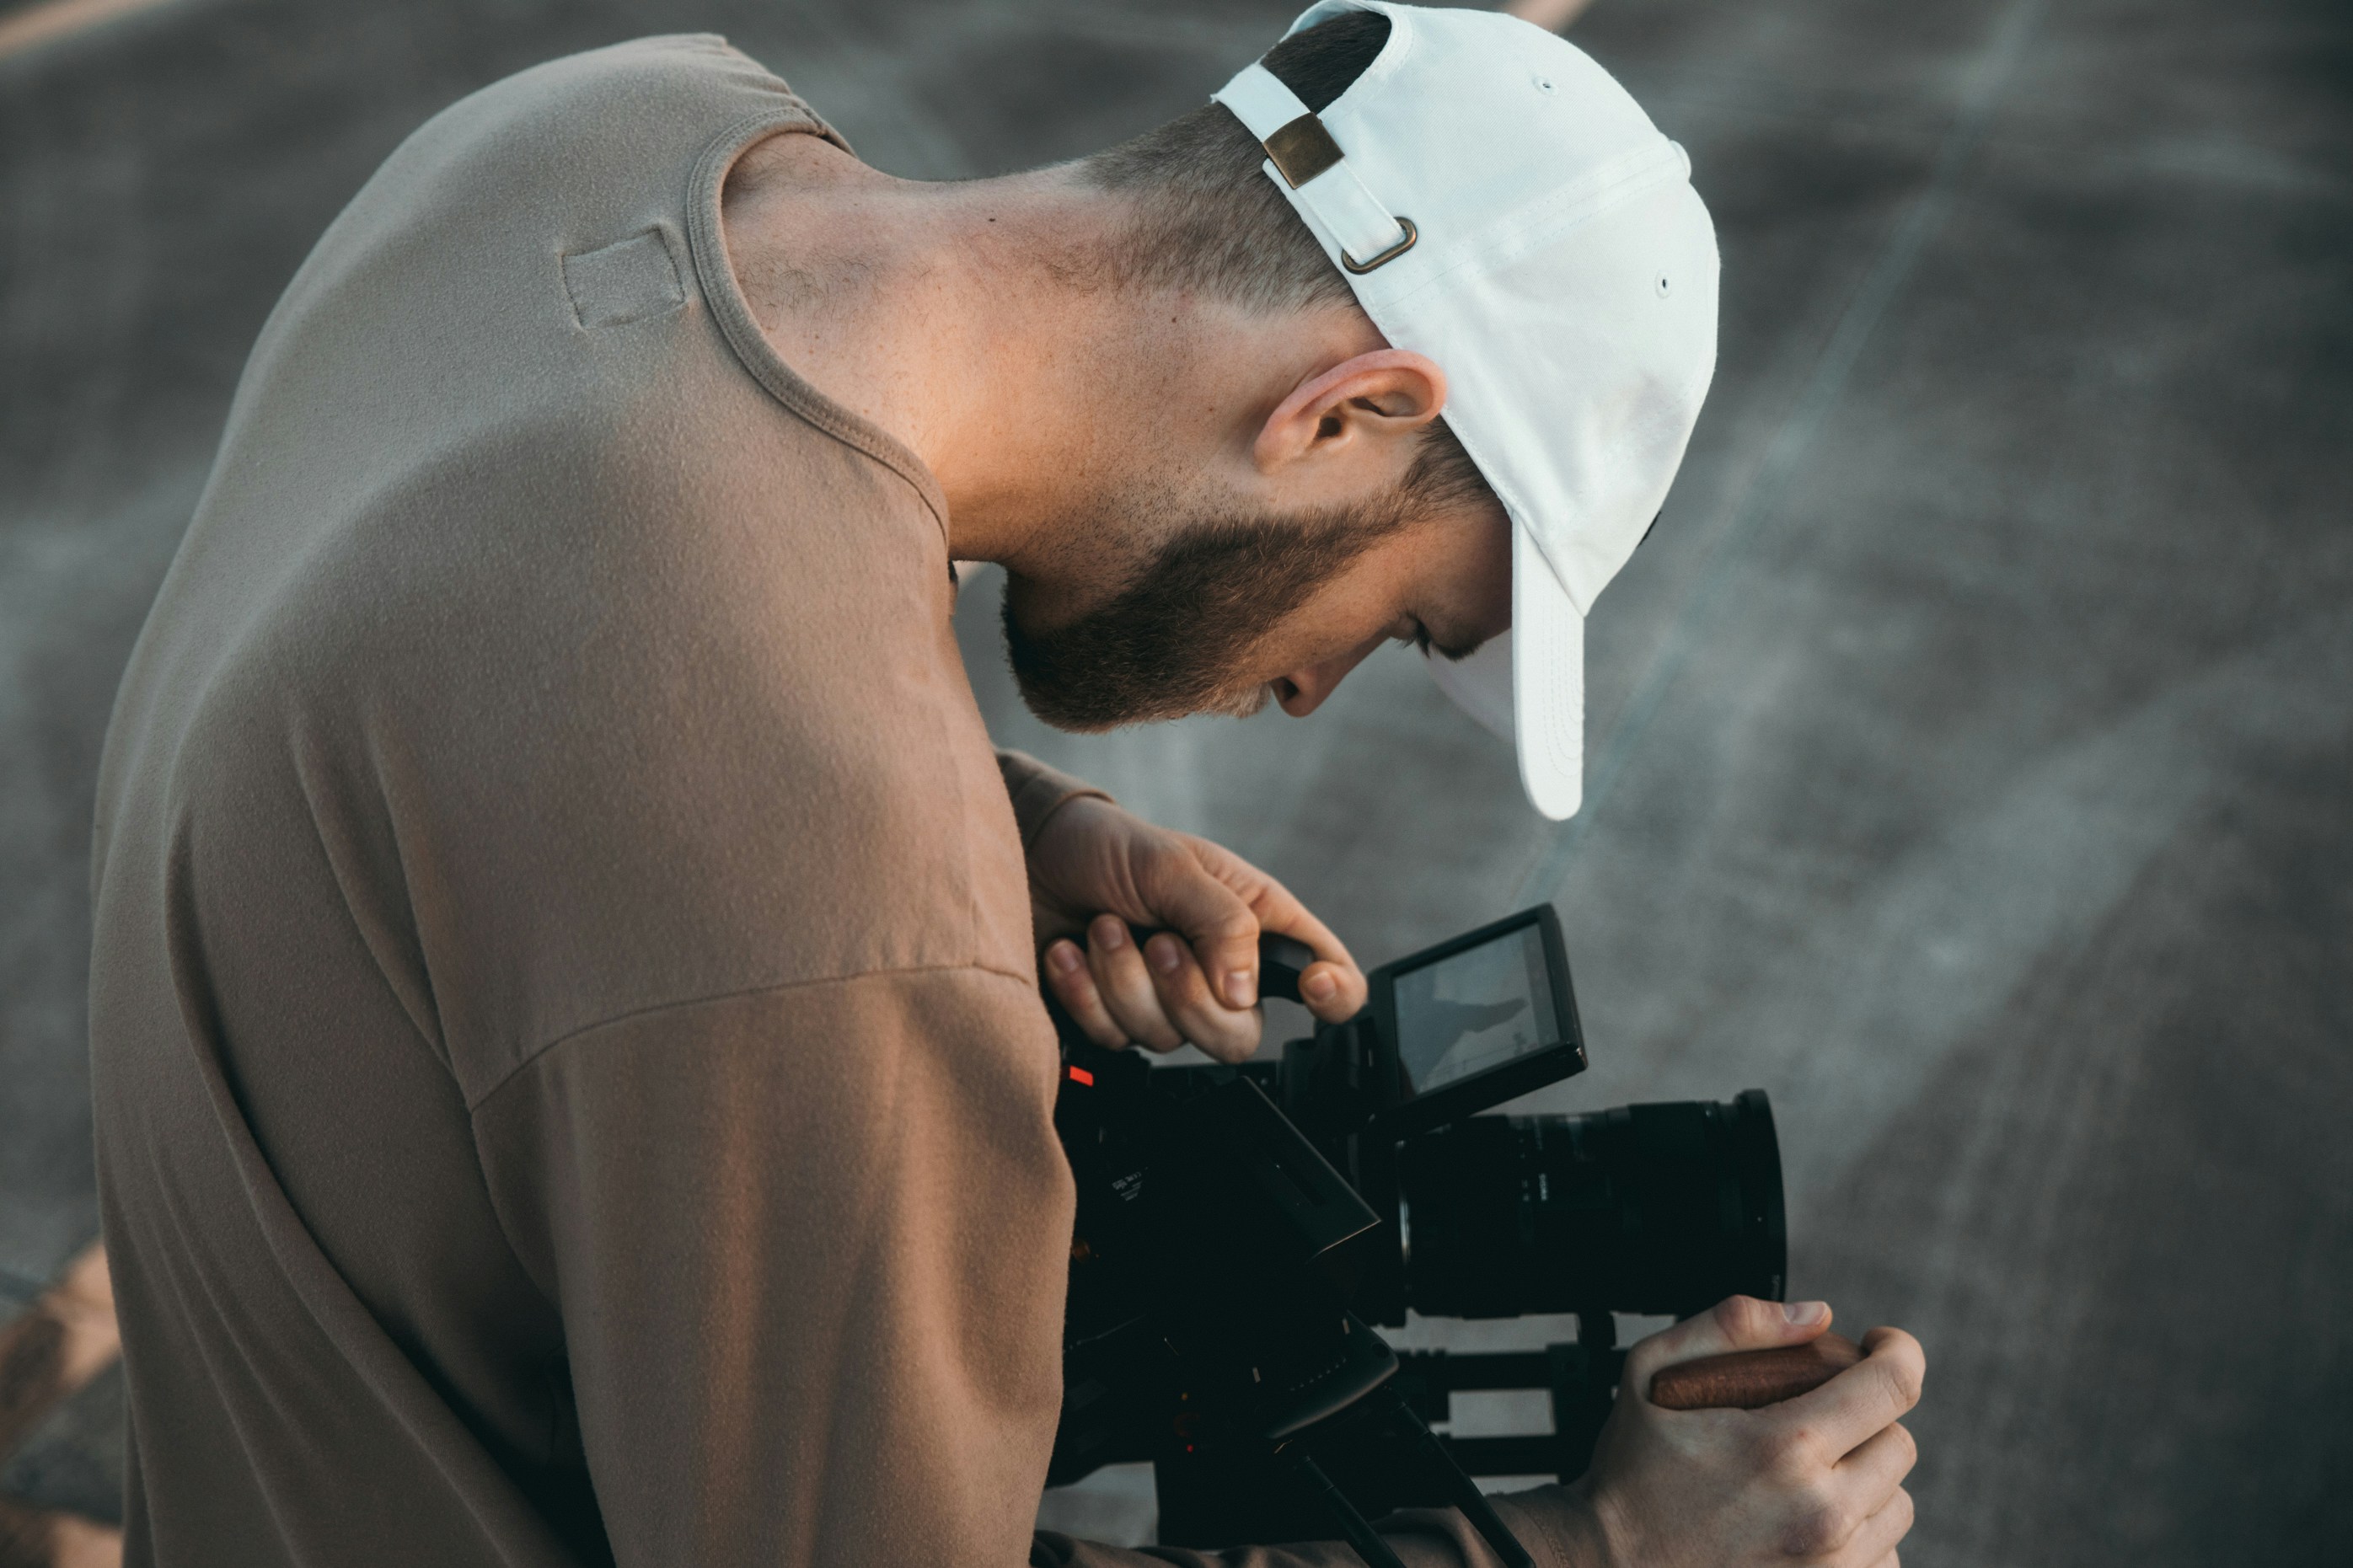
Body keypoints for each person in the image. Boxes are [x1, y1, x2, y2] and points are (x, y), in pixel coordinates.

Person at [86, 3, 1922, 1565]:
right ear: (1344, 411)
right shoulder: (828, 899)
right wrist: (1587, 1545)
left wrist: (1010, 831)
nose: (1310, 690)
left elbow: (509, 639)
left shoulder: (599, 128)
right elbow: (779, 864)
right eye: (1416, 618)